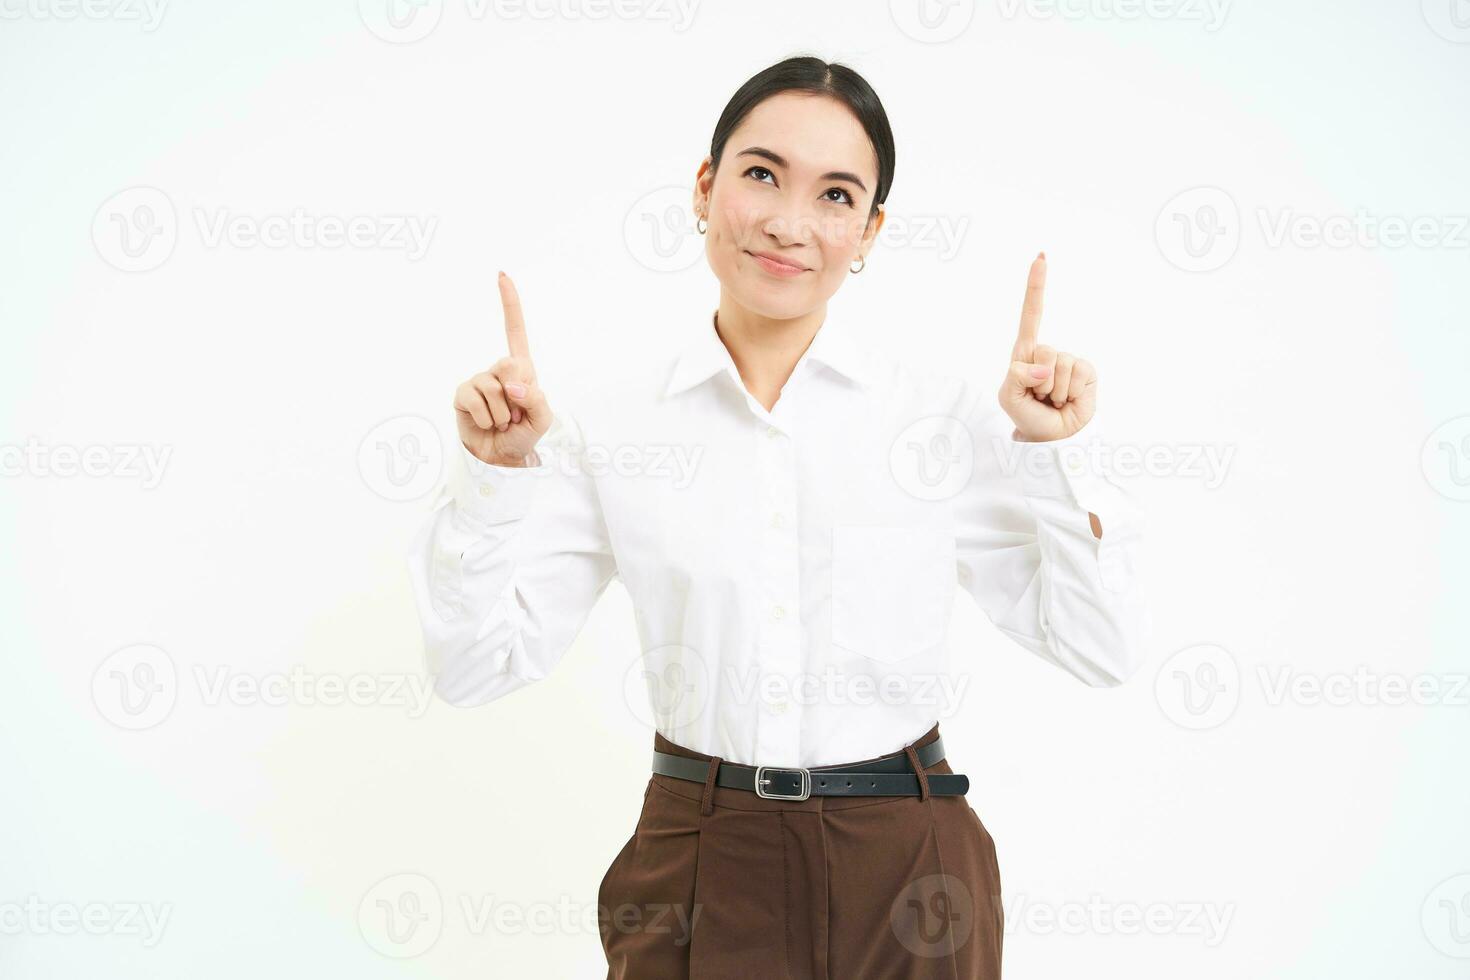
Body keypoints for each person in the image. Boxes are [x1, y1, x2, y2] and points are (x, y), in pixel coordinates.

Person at [406, 54, 1148, 980]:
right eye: (762, 174)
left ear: (869, 232)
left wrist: (1051, 455)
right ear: (706, 187)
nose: (792, 224)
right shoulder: (613, 428)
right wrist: (496, 477)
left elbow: (1100, 648)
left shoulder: (941, 420)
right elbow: (475, 670)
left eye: (838, 196)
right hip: (699, 852)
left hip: (909, 864)